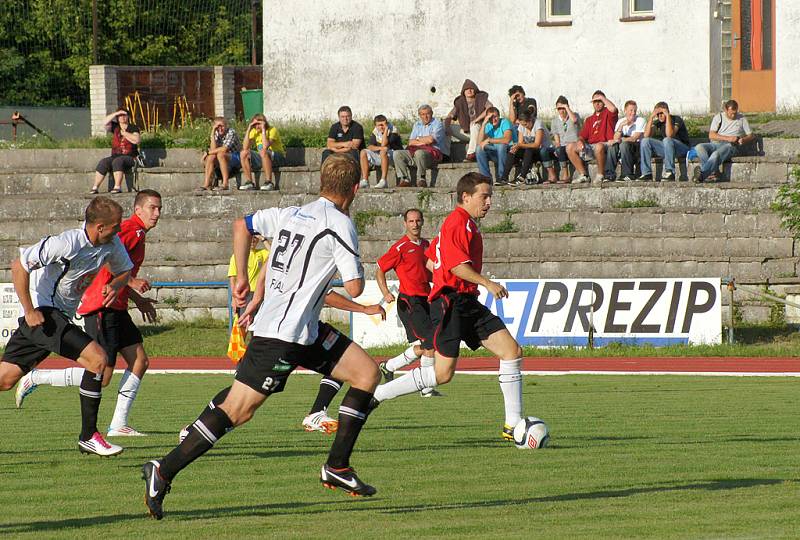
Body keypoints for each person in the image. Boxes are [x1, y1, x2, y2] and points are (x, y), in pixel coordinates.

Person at [142, 154, 380, 520]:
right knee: (239, 410)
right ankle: (163, 470)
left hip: (305, 331)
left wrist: (244, 283)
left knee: (366, 373)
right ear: (356, 187)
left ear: (321, 181)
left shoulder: (290, 213)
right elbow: (355, 285)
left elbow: (243, 225)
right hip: (281, 335)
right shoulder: (340, 225)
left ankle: (337, 466)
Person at [371, 173, 526, 444]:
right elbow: (454, 265)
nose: (489, 202)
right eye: (484, 196)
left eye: (490, 196)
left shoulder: (466, 224)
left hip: (465, 300)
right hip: (451, 303)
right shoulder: (458, 222)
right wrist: (486, 283)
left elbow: (433, 263)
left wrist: (446, 276)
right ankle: (377, 395)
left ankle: (513, 425)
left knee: (511, 352)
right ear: (465, 197)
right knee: (442, 374)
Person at [14, 191, 162, 438]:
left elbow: (120, 269)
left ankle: (118, 423)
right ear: (138, 210)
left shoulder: (124, 236)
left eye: (160, 208)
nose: (157, 213)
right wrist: (128, 283)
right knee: (100, 370)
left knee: (139, 361)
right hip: (95, 306)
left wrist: (131, 294)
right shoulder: (125, 231)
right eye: (152, 208)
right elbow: (108, 262)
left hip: (113, 305)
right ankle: (43, 383)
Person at [1, 197, 133, 456]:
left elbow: (124, 271)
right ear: (99, 227)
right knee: (98, 360)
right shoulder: (66, 243)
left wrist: (115, 286)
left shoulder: (112, 244)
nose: (120, 230)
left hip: (57, 317)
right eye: (116, 226)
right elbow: (19, 266)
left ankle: (89, 437)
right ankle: (89, 436)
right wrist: (29, 310)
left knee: (5, 379)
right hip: (45, 314)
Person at [301, 208, 440, 432]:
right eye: (411, 220)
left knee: (344, 363)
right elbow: (375, 272)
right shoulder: (399, 248)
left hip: (425, 299)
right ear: (405, 223)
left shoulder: (426, 246)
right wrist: (373, 302)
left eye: (418, 220)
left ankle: (318, 413)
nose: (415, 224)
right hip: (410, 301)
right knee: (429, 344)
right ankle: (424, 386)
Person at [692, 99, 755, 183]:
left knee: (716, 154)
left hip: (732, 146)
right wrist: (728, 138)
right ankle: (712, 173)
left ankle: (702, 175)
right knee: (699, 147)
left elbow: (751, 135)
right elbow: (711, 135)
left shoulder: (742, 119)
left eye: (735, 113)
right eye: (730, 113)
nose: (733, 115)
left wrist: (744, 139)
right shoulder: (718, 117)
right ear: (725, 110)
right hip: (717, 143)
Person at [566, 90, 618, 184]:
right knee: (569, 147)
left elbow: (613, 109)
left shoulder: (608, 113)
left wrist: (602, 97)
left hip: (605, 144)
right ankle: (583, 175)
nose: (597, 104)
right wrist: (580, 141)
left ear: (604, 101)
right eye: (595, 101)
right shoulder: (589, 119)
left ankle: (600, 175)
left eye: (599, 101)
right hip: (591, 146)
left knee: (599, 146)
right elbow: (582, 136)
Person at [393, 105, 446, 187]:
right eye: (422, 114)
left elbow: (431, 140)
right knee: (397, 153)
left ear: (432, 113)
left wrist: (417, 139)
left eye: (427, 114)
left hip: (432, 155)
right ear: (419, 115)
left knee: (419, 152)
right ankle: (405, 179)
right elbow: (410, 142)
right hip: (415, 152)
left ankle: (422, 178)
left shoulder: (438, 124)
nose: (425, 116)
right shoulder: (417, 124)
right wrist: (424, 141)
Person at [90, 110, 141, 194]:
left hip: (130, 157)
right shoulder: (115, 127)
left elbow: (137, 140)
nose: (123, 117)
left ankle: (117, 187)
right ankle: (95, 187)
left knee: (118, 161)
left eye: (124, 115)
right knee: (104, 162)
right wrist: (116, 113)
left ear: (128, 117)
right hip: (115, 155)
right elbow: (104, 122)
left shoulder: (133, 127)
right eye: (120, 116)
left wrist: (125, 134)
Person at [639, 102, 692, 181]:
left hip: (682, 149)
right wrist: (651, 117)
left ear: (667, 112)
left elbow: (670, 134)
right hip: (668, 150)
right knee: (645, 141)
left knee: (667, 140)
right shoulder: (658, 122)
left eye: (662, 113)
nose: (659, 115)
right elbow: (646, 135)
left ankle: (670, 172)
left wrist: (667, 116)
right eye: (658, 114)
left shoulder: (677, 119)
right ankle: (646, 173)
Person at [445, 79, 492, 162]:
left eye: (471, 89)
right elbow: (449, 116)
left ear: (475, 90)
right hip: (466, 132)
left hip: (481, 132)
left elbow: (490, 108)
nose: (469, 91)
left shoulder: (481, 98)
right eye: (467, 89)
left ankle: (471, 154)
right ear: (464, 91)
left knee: (474, 125)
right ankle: (445, 154)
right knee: (444, 127)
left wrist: (477, 120)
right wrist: (447, 126)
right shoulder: (460, 102)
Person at [239, 113, 286, 192]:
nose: (256, 126)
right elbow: (245, 147)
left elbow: (265, 146)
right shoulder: (254, 131)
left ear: (263, 123)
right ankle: (249, 182)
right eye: (254, 124)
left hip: (278, 157)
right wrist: (249, 129)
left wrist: (263, 129)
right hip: (264, 157)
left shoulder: (272, 130)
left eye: (258, 124)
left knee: (263, 151)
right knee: (243, 153)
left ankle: (269, 182)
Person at [507, 111, 557, 185]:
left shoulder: (538, 124)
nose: (524, 126)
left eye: (526, 124)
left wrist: (519, 145)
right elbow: (520, 143)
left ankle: (522, 177)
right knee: (512, 151)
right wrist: (515, 147)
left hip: (545, 149)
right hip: (531, 150)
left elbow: (537, 144)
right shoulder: (522, 125)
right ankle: (503, 178)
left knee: (529, 150)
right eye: (522, 125)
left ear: (530, 120)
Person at [227, 234, 270, 318]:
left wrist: (263, 239)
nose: (252, 240)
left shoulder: (261, 253)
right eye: (250, 238)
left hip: (259, 293)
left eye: (255, 238)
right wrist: (234, 298)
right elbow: (232, 278)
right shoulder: (237, 256)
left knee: (258, 322)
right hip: (244, 294)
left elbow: (275, 252)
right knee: (243, 321)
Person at [196, 118, 242, 192]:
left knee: (220, 154)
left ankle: (225, 184)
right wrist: (213, 132)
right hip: (223, 157)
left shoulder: (231, 132)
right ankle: (207, 184)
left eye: (222, 126)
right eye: (218, 126)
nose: (220, 128)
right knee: (211, 157)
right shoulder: (216, 132)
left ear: (226, 126)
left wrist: (207, 153)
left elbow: (224, 149)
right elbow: (213, 148)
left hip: (236, 157)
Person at [359, 114, 403, 189]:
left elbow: (384, 144)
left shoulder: (393, 130)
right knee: (363, 152)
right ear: (376, 126)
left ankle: (383, 181)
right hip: (382, 154)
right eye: (379, 125)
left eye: (383, 124)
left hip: (395, 155)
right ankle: (365, 180)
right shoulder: (375, 131)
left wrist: (386, 130)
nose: (381, 127)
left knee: (383, 151)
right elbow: (370, 146)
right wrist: (379, 148)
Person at [321, 106, 365, 178]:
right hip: (339, 151)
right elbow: (329, 144)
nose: (345, 119)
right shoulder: (334, 127)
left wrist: (336, 148)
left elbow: (354, 146)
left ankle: (355, 178)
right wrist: (345, 144)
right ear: (339, 117)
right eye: (343, 116)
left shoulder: (357, 127)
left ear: (351, 116)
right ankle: (324, 178)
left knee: (354, 152)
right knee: (326, 152)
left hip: (351, 152)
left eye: (347, 116)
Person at [607, 100, 646, 181]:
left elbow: (634, 138)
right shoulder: (620, 121)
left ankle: (627, 174)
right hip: (624, 146)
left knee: (623, 144)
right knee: (612, 146)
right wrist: (621, 126)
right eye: (631, 110)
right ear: (625, 111)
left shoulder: (640, 120)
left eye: (635, 110)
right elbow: (615, 138)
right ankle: (609, 174)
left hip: (637, 147)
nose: (633, 113)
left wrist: (619, 140)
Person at [476, 107, 513, 184]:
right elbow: (479, 142)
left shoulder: (505, 122)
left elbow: (507, 140)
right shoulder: (488, 125)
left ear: (499, 116)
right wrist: (483, 124)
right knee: (479, 149)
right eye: (491, 117)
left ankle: (501, 178)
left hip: (508, 153)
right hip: (495, 153)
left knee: (501, 146)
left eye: (495, 117)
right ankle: (486, 179)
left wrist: (489, 140)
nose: (494, 119)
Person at [549, 96, 581, 183]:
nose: (561, 111)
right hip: (563, 145)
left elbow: (574, 120)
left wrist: (566, 107)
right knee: (558, 149)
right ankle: (565, 173)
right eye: (559, 109)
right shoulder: (554, 121)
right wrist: (557, 145)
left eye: (563, 108)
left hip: (573, 144)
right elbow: (557, 139)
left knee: (566, 148)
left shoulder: (574, 115)